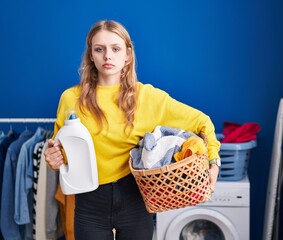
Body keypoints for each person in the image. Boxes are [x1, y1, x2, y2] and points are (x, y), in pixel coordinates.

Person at [44, 19, 221, 240]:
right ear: (91, 55)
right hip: (89, 203)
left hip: (135, 200)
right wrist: (53, 158)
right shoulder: (70, 99)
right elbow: (60, 152)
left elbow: (202, 122)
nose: (108, 56)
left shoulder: (147, 97)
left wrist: (214, 163)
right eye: (99, 49)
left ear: (127, 54)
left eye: (115, 49)